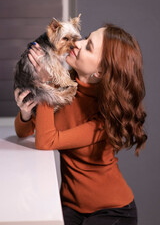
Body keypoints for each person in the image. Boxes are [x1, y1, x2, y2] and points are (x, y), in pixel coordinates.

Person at [14, 24, 147, 225]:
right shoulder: (62, 86)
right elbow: (23, 131)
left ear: (100, 72)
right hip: (69, 207)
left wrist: (45, 86)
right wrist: (25, 111)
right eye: (86, 38)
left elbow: (46, 141)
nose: (77, 43)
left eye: (88, 46)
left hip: (112, 212)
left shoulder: (104, 116)